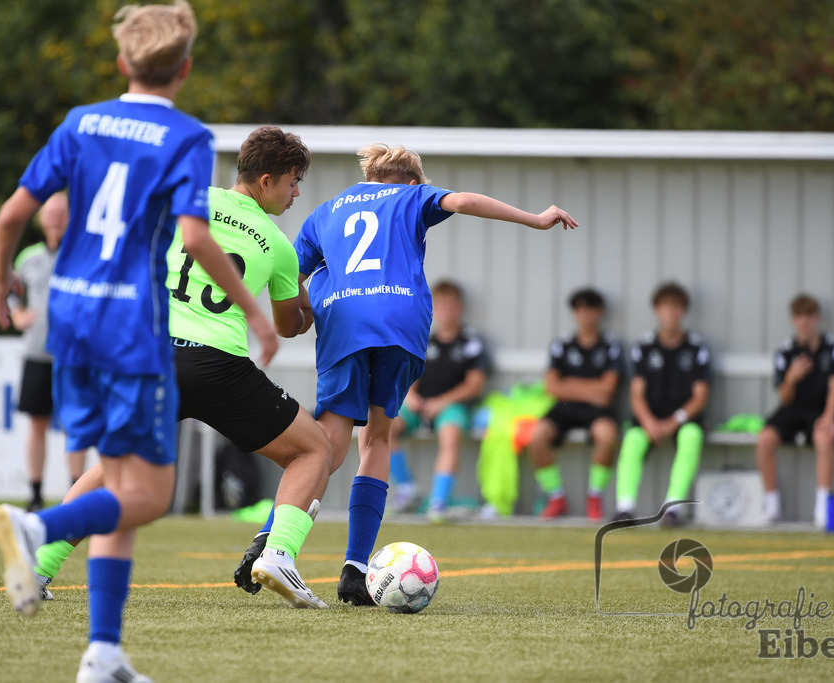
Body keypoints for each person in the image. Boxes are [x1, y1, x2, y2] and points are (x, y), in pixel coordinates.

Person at [0, 3, 279, 681]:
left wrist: (2, 281)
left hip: (70, 320)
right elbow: (198, 237)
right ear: (186, 69)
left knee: (118, 480)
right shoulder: (187, 136)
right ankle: (35, 529)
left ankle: (104, 654)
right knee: (149, 493)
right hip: (131, 327)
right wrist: (255, 316)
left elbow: (11, 214)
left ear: (122, 64)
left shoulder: (79, 122)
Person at [237, 143, 577, 606]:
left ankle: (270, 536)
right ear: (413, 182)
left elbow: (290, 274)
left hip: (342, 322)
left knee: (326, 442)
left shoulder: (325, 211)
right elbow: (464, 201)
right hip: (399, 322)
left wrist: (302, 313)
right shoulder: (411, 197)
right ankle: (355, 571)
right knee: (376, 437)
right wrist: (535, 218)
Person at [30, 126, 332, 610]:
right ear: (267, 180)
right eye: (294, 182)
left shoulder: (183, 197)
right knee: (314, 450)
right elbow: (289, 324)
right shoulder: (277, 244)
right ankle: (279, 553)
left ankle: (38, 564)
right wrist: (315, 296)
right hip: (217, 365)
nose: (297, 193)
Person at [386, 279, 490, 522]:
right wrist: (410, 396)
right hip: (421, 406)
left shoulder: (471, 342)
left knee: (450, 434)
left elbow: (475, 385)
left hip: (452, 408)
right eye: (441, 306)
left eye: (451, 306)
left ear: (459, 308)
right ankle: (407, 490)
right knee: (383, 424)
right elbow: (411, 376)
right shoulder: (425, 340)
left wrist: (441, 402)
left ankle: (438, 503)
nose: (446, 312)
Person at [8, 191, 87, 511]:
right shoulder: (28, 257)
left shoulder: (83, 253)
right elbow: (10, 293)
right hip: (37, 352)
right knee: (37, 425)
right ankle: (36, 492)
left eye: (61, 213)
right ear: (41, 218)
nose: (55, 218)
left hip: (74, 356)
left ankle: (74, 492)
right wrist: (16, 313)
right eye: (50, 213)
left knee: (75, 425)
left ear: (71, 216)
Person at [613, 282, 710, 526]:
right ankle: (624, 508)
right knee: (633, 440)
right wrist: (648, 422)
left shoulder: (696, 347)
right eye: (665, 307)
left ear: (683, 311)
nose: (670, 313)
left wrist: (674, 420)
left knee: (691, 437)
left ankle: (672, 510)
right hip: (650, 417)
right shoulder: (644, 346)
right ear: (657, 310)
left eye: (676, 307)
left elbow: (700, 396)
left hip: (682, 418)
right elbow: (636, 394)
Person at [526, 287, 621, 522]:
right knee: (537, 436)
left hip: (597, 411)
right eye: (580, 310)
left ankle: (595, 497)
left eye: (591, 309)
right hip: (565, 407)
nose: (585, 315)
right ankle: (556, 497)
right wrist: (592, 388)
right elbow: (552, 387)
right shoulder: (563, 344)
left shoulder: (610, 345)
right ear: (575, 313)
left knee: (608, 436)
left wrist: (568, 383)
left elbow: (608, 390)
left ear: (599, 313)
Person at [756, 294, 834, 526]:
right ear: (793, 320)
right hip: (793, 408)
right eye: (799, 317)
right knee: (765, 439)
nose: (804, 322)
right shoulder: (786, 351)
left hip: (820, 408)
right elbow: (784, 398)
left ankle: (822, 507)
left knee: (824, 438)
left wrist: (829, 417)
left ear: (817, 318)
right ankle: (772, 505)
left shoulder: (831, 347)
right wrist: (791, 378)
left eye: (809, 316)